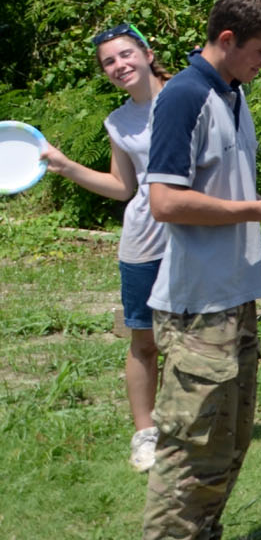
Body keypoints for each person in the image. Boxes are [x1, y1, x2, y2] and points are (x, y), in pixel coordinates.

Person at [141, 0, 261, 540]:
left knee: (226, 452)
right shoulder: (185, 95)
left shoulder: (232, 94)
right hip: (197, 308)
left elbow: (223, 193)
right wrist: (257, 209)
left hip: (236, 299)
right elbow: (164, 201)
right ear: (226, 38)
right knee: (190, 461)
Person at [39, 24, 171, 472]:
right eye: (109, 62)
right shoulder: (118, 121)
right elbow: (122, 186)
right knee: (144, 341)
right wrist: (66, 166)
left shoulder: (188, 96)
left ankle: (195, 427)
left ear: (148, 53)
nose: (119, 66)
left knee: (199, 340)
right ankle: (145, 434)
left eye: (125, 54)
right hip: (143, 242)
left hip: (196, 237)